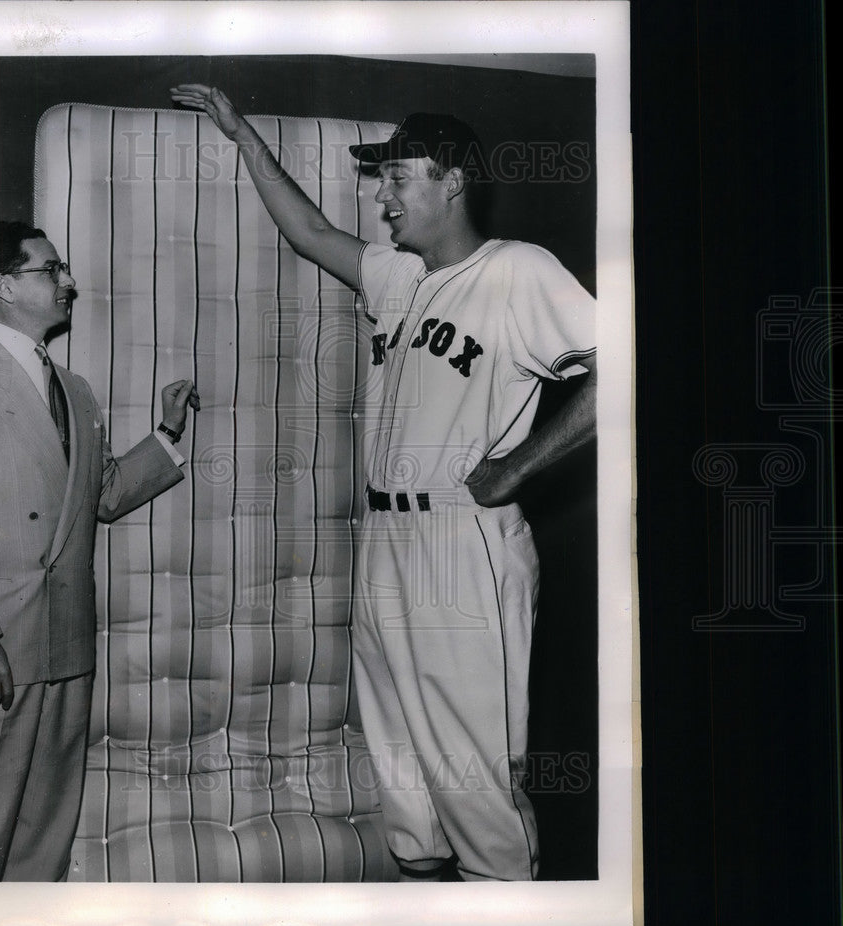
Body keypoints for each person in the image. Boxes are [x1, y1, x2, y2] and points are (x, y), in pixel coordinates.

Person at [170, 86, 596, 882]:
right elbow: (307, 230)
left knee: (473, 776)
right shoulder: (398, 278)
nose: (383, 195)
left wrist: (519, 466)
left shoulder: (518, 271)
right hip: (387, 541)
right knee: (402, 775)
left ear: (454, 182)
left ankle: (508, 898)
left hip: (461, 539)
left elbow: (626, 366)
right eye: (382, 179)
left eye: (400, 178)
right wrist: (242, 135)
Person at [0, 220, 199, 881]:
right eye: (53, 270)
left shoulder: (77, 391)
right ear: (5, 286)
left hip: (64, 650)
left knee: (41, 847)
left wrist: (167, 431)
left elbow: (101, 496)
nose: (69, 282)